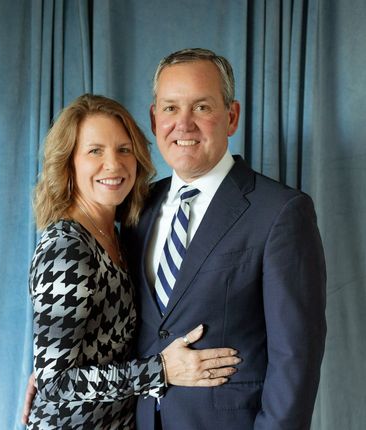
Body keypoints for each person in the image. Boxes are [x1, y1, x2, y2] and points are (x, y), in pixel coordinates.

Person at [121, 48, 326, 429]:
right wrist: (57, 374)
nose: (183, 124)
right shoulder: (137, 208)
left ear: (231, 117)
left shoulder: (280, 212)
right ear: (153, 118)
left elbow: (295, 357)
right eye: (170, 108)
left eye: (201, 107)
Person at [23, 93, 240, 429]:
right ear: (69, 163)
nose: (114, 164)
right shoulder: (67, 245)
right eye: (95, 151)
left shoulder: (120, 233)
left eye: (124, 150)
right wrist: (163, 370)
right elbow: (55, 384)